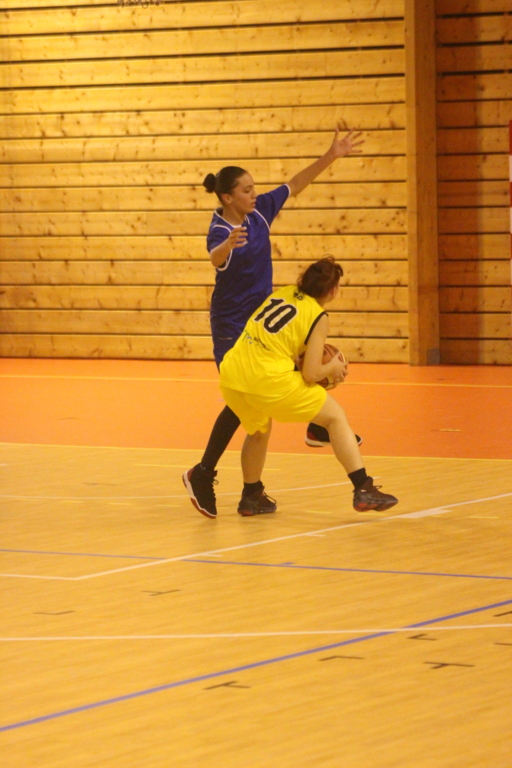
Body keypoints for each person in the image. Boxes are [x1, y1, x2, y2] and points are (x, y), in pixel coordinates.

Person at [183, 126, 364, 519]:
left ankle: (258, 485)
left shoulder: (260, 211)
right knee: (245, 400)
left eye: (254, 188)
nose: (255, 193)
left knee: (274, 392)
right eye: (246, 190)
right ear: (228, 197)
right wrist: (226, 246)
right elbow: (214, 257)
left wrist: (331, 154)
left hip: (263, 322)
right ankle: (204, 473)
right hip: (232, 327)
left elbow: (295, 184)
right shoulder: (221, 229)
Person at [219, 257, 398, 516]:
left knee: (258, 430)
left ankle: (251, 496)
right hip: (268, 380)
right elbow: (311, 373)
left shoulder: (283, 293)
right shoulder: (317, 315)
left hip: (233, 375)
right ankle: (363, 487)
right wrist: (333, 367)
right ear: (333, 290)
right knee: (336, 417)